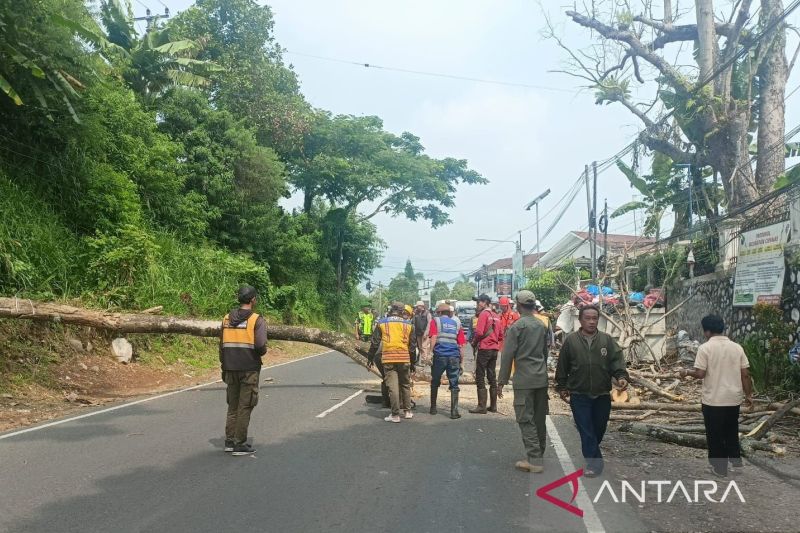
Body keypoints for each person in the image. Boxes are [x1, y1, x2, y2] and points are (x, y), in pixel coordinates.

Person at [555, 305, 629, 477]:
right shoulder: (571, 341)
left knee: (598, 428)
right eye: (587, 318)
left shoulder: (607, 340)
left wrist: (621, 376)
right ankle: (594, 464)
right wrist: (562, 386)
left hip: (602, 393)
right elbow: (562, 366)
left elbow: (617, 362)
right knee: (586, 429)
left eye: (594, 318)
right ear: (580, 320)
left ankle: (592, 452)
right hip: (579, 393)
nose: (591, 321)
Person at [679, 315, 753, 477]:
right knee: (731, 430)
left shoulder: (705, 348)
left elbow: (700, 374)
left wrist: (686, 372)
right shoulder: (737, 347)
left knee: (715, 435)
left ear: (706, 331)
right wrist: (749, 395)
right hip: (733, 399)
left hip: (713, 400)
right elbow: (745, 374)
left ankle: (719, 469)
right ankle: (736, 464)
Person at [498, 290, 549, 473]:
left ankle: (534, 460)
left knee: (525, 419)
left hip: (524, 380)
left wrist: (501, 381)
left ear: (518, 305)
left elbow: (507, 355)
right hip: (541, 379)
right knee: (539, 418)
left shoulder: (517, 327)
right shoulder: (541, 325)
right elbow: (545, 353)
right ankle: (538, 454)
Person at [220, 285, 268, 456]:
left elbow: (222, 345)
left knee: (232, 406)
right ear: (253, 300)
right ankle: (239, 444)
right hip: (249, 369)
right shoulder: (257, 320)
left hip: (230, 368)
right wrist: (259, 352)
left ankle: (229, 441)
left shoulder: (226, 319)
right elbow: (261, 345)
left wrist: (223, 366)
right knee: (245, 406)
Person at [367, 302, 418, 423]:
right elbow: (412, 346)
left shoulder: (382, 323)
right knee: (405, 385)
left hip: (389, 358)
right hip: (404, 358)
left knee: (393, 387)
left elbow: (375, 342)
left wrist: (370, 358)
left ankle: (395, 415)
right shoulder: (409, 324)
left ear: (390, 310)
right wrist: (413, 362)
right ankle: (408, 412)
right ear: (402, 312)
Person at [428, 302, 466, 419]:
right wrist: (462, 361)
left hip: (440, 355)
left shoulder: (436, 321)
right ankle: (454, 412)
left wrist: (430, 352)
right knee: (454, 383)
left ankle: (433, 408)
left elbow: (433, 337)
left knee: (435, 380)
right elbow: (461, 344)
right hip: (454, 356)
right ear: (449, 313)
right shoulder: (455, 323)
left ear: (439, 312)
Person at [469, 294, 503, 414]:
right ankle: (493, 406)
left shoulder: (483, 314)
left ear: (485, 302)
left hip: (484, 348)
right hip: (494, 349)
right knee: (492, 376)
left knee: (480, 375)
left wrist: (474, 342)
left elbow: (479, 332)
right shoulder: (496, 316)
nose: (477, 305)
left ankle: (482, 406)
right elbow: (500, 336)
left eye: (479, 302)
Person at [413, 301, 431, 365]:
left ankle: (424, 360)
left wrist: (426, 332)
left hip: (425, 333)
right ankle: (422, 360)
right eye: (417, 306)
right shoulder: (416, 313)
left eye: (418, 306)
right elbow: (414, 323)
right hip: (418, 333)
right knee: (420, 347)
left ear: (422, 306)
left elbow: (429, 323)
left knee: (424, 347)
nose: (417, 307)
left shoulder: (427, 313)